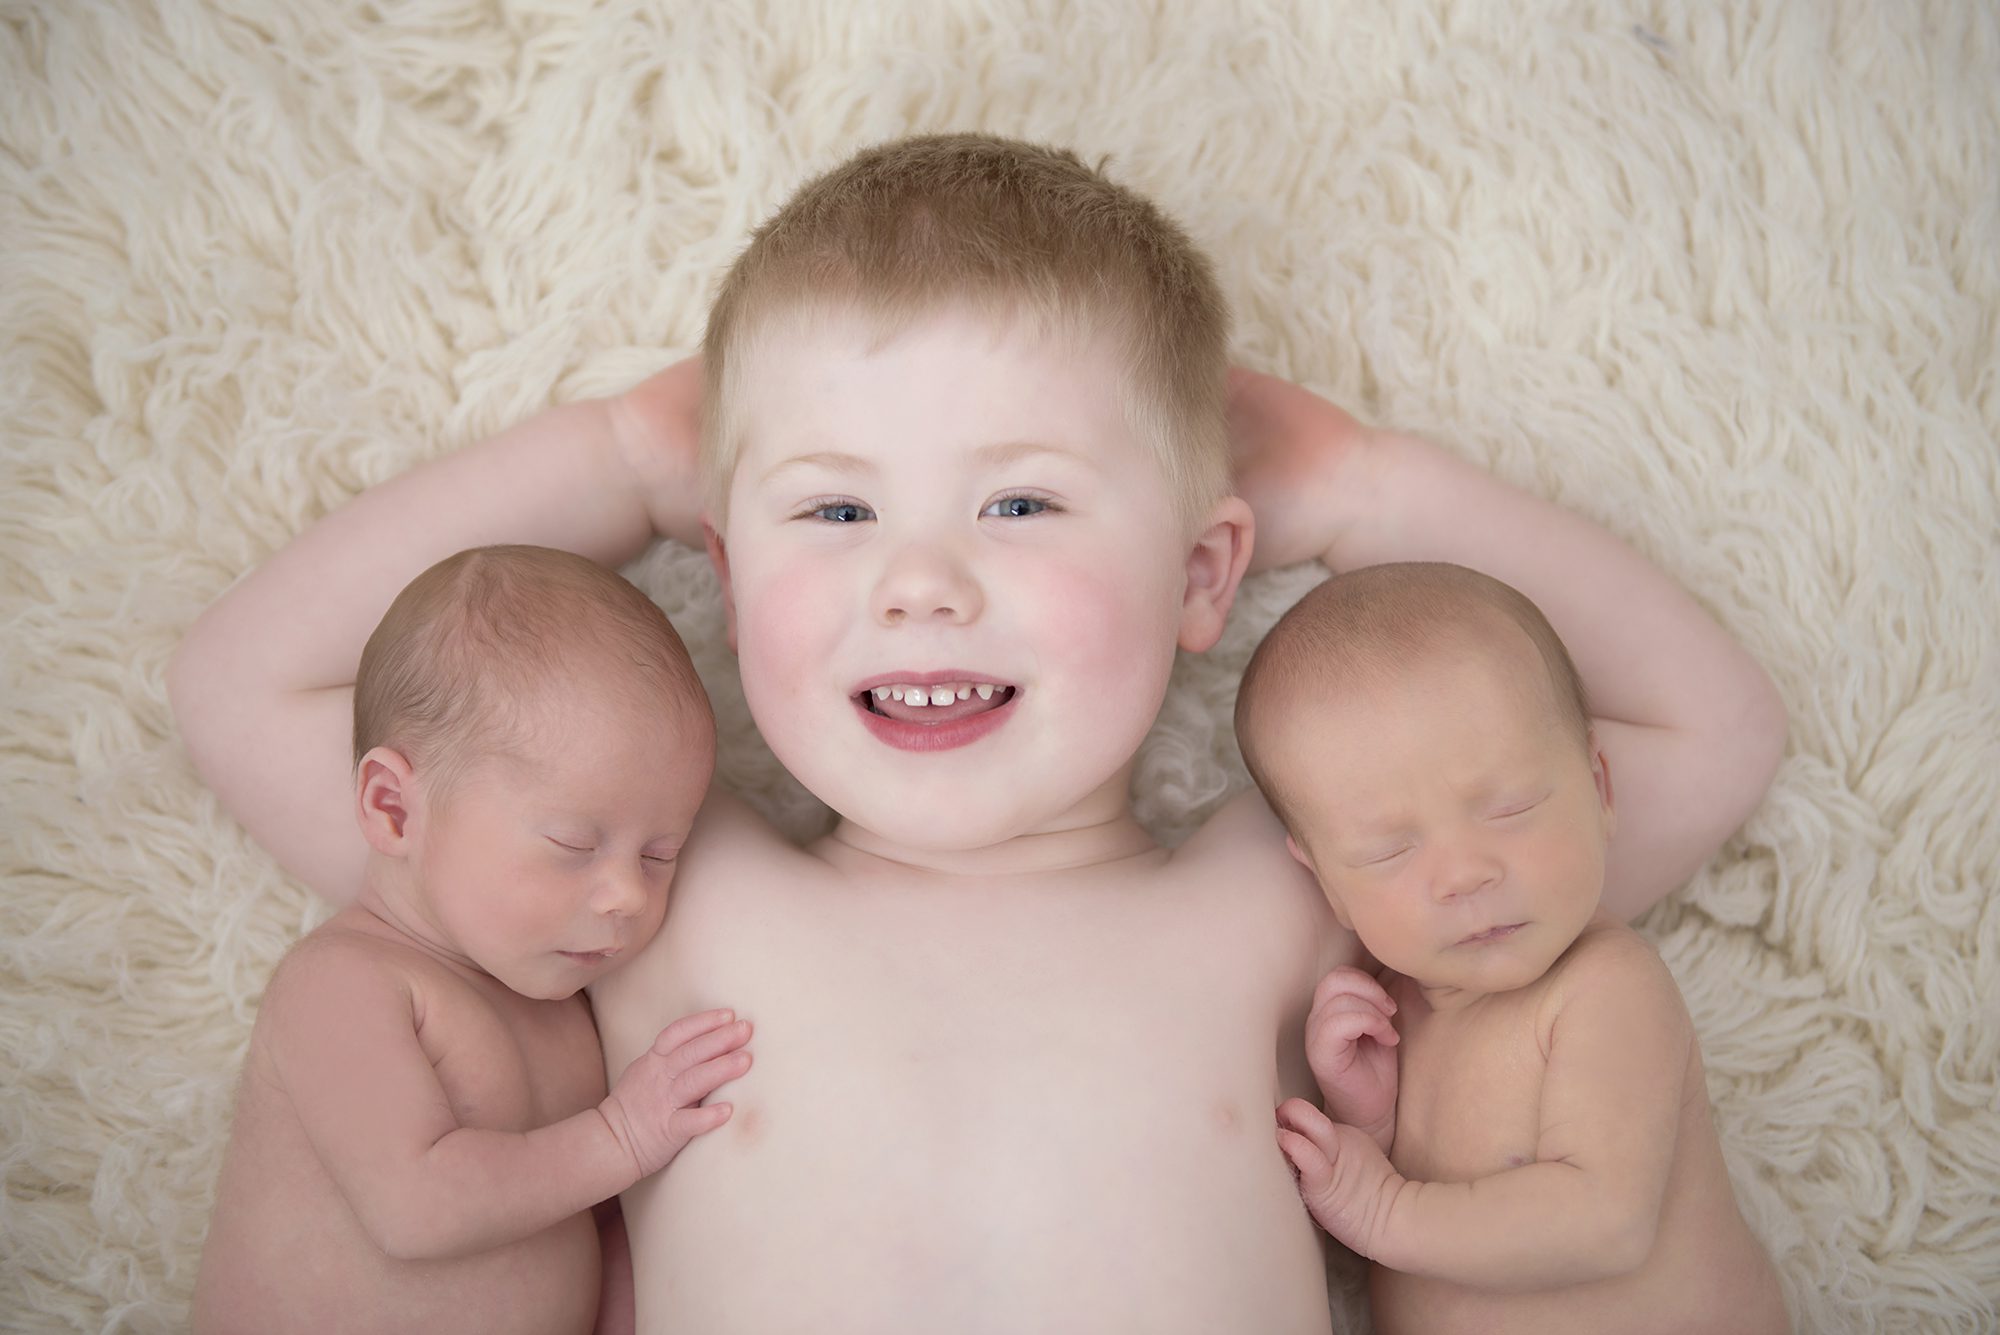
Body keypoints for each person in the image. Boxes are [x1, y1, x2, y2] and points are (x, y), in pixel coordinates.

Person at [170, 133, 1786, 1333]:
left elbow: (1699, 732)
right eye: (836, 507)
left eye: (1019, 499)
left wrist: (1360, 487)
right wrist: (623, 459)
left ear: (1204, 572)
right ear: (724, 579)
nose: (922, 582)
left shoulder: (1299, 892)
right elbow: (254, 690)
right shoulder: (649, 896)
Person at [189, 545, 750, 1335]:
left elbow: (569, 1214)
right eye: (572, 844)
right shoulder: (346, 984)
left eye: (661, 854)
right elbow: (414, 1205)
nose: (628, 894)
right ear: (393, 809)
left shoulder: (564, 1013)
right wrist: (620, 1136)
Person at [1238, 561, 1789, 1334]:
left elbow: (1604, 1220)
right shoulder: (1400, 1007)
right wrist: (1365, 1122)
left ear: (1600, 787)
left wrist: (1386, 1208)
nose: (1465, 874)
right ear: (1327, 883)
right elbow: (1382, 1225)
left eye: (1510, 807)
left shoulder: (1604, 988)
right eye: (1389, 851)